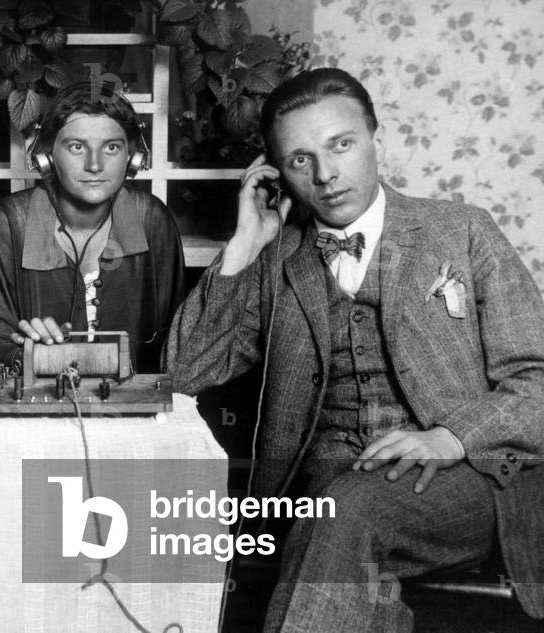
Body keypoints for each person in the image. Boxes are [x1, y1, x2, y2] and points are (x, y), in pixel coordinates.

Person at [166, 67, 544, 632]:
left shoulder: (462, 231)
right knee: (338, 525)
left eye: (340, 145)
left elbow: (537, 382)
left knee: (345, 512)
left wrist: (450, 437)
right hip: (322, 484)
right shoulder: (275, 258)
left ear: (376, 142)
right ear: (278, 173)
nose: (324, 174)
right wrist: (244, 242)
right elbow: (184, 372)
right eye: (300, 159)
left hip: (463, 478)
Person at [0, 81, 185, 382]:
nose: (95, 165)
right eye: (76, 147)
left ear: (132, 158)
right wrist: (30, 354)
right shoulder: (10, 222)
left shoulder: (152, 219)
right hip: (41, 406)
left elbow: (178, 347)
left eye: (111, 147)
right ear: (46, 157)